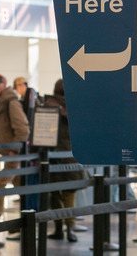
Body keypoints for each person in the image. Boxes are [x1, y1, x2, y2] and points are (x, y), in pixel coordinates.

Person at [0, 74, 29, 247]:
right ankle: (26, 220)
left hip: (14, 155)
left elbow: (23, 128)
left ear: (4, 85)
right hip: (7, 153)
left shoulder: (11, 102)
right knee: (20, 186)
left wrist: (14, 150)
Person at [45, 79, 84, 242]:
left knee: (55, 195)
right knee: (69, 196)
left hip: (53, 156)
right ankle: (70, 229)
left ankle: (59, 228)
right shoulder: (75, 107)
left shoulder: (48, 105)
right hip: (72, 157)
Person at [12, 77, 40, 213]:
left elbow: (29, 123)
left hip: (32, 148)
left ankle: (30, 207)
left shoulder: (30, 97)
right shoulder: (31, 97)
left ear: (21, 85)